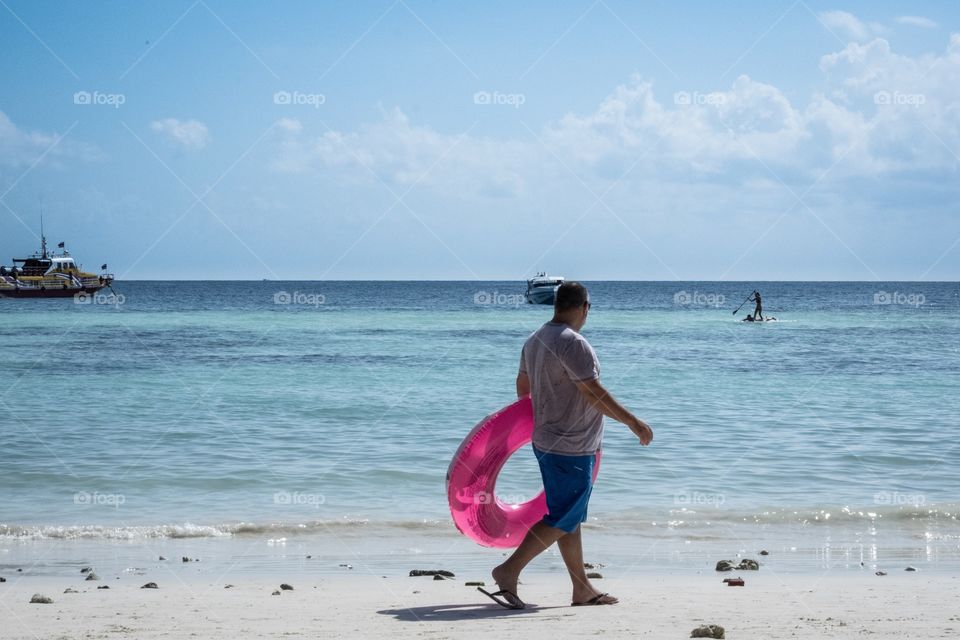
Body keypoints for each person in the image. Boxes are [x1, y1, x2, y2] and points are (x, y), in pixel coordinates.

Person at [484, 281, 653, 610]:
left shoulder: (534, 340)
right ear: (585, 307)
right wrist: (633, 422)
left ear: (556, 304)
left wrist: (548, 413)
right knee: (563, 517)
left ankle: (582, 589)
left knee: (568, 518)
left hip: (546, 442)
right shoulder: (574, 343)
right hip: (572, 446)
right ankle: (508, 570)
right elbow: (592, 391)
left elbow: (523, 390)